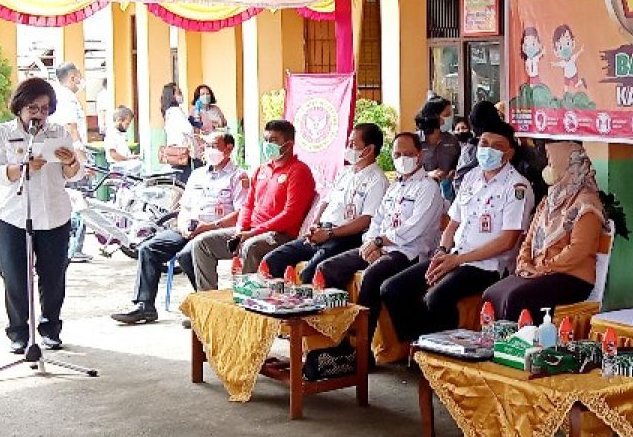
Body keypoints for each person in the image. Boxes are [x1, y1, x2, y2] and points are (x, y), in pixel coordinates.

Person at [379, 123, 534, 342]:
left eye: (497, 146)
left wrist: (457, 259)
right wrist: (442, 251)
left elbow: (508, 241)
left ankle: (440, 354)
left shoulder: (517, 187)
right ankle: (418, 347)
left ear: (508, 154)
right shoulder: (471, 177)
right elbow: (452, 224)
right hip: (454, 257)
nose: (488, 150)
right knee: (392, 288)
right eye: (484, 143)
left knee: (436, 298)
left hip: (487, 266)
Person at [0, 77, 85, 352]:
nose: (39, 114)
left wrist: (70, 161)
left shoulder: (58, 133)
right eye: (33, 108)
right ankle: (19, 333)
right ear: (20, 108)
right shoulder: (3, 133)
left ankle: (50, 328)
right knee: (15, 276)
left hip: (54, 214)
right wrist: (22, 169)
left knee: (53, 275)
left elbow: (75, 174)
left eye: (45, 108)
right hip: (14, 215)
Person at [315, 132, 444, 345]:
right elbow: (377, 219)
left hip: (409, 252)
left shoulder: (428, 188)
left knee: (372, 276)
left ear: (419, 155)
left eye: (408, 153)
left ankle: (361, 348)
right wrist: (371, 241)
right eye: (397, 154)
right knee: (329, 267)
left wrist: (380, 242)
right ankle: (337, 337)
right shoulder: (394, 187)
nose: (403, 159)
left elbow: (413, 229)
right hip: (380, 246)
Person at [111, 132, 243, 325]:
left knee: (187, 254)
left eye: (214, 146)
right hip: (189, 229)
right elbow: (185, 207)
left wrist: (209, 227)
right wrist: (183, 225)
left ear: (229, 148)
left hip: (215, 232)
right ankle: (144, 306)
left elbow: (241, 213)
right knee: (149, 248)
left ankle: (206, 306)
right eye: (206, 146)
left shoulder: (238, 177)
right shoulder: (197, 175)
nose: (208, 150)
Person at [183, 120, 317, 291]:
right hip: (250, 230)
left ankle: (247, 300)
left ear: (289, 144)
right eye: (266, 139)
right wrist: (241, 229)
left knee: (251, 246)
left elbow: (291, 215)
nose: (267, 144)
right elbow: (248, 204)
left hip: (279, 235)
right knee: (201, 244)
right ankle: (208, 299)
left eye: (273, 140)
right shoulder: (262, 169)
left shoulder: (299, 172)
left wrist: (252, 233)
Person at [482, 142, 604, 320]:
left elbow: (579, 249)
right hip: (539, 270)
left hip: (571, 277)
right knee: (492, 293)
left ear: (568, 166)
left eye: (552, 164)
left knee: (516, 298)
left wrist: (543, 268)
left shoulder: (586, 203)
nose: (548, 169)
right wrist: (524, 261)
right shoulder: (550, 200)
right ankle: (496, 345)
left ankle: (525, 346)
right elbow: (529, 239)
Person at [262, 123, 387, 283]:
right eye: (348, 142)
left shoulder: (377, 180)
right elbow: (325, 202)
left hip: (345, 237)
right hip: (322, 231)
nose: (348, 147)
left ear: (369, 149)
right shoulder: (345, 172)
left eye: (353, 144)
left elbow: (366, 220)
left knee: (309, 274)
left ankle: (304, 306)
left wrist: (330, 233)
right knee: (273, 260)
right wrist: (314, 224)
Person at [49, 63, 91, 263]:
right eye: (79, 76)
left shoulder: (62, 96)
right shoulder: (66, 98)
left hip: (66, 156)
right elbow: (71, 127)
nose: (81, 81)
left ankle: (73, 247)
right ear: (73, 77)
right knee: (79, 202)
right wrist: (81, 156)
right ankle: (75, 248)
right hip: (71, 158)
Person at [416, 96, 460, 197]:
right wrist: (428, 175)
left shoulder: (453, 140)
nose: (450, 118)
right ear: (434, 116)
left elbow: (457, 164)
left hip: (447, 195)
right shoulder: (415, 140)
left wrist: (453, 172)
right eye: (446, 115)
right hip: (421, 193)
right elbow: (404, 172)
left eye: (451, 114)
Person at [160, 82, 196, 185]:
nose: (181, 95)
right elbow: (188, 129)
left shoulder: (168, 112)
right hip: (181, 151)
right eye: (178, 92)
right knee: (184, 181)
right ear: (172, 96)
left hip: (174, 150)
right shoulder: (176, 111)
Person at [103, 106, 141, 175]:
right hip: (118, 166)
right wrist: (128, 158)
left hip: (124, 163)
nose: (128, 127)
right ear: (119, 120)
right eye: (127, 124)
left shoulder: (120, 134)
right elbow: (113, 155)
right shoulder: (111, 134)